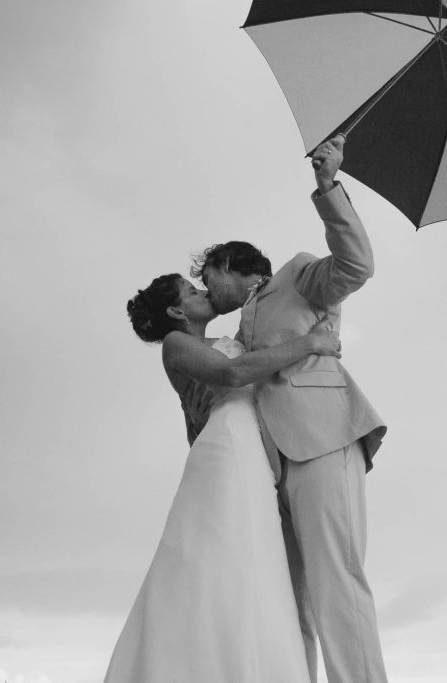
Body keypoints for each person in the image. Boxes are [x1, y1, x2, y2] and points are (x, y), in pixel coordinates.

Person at [190, 134, 389, 683]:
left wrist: (328, 185)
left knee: (337, 584)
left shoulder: (299, 275)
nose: (206, 289)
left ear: (231, 266)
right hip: (269, 468)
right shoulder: (239, 328)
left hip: (323, 438)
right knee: (289, 601)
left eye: (209, 279)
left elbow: (356, 266)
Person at [104, 272, 341, 683]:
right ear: (177, 311)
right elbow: (234, 375)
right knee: (218, 553)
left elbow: (257, 352)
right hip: (228, 446)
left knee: (250, 559)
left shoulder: (224, 340)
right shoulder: (178, 344)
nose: (203, 293)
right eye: (192, 292)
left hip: (253, 453)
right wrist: (311, 343)